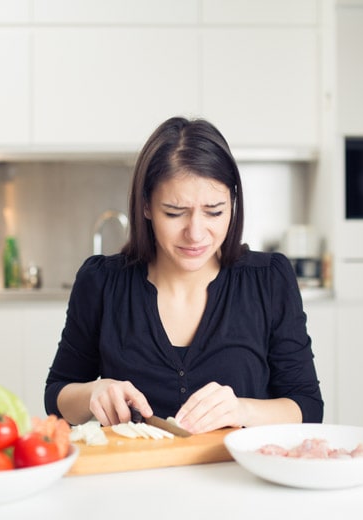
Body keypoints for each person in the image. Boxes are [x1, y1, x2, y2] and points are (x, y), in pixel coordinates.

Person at [44, 116, 323, 434]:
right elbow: (57, 397)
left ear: (232, 203)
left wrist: (241, 408)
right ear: (146, 205)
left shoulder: (268, 280)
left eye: (214, 211)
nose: (196, 233)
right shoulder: (101, 282)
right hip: (135, 478)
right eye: (174, 213)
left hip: (237, 479)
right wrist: (93, 392)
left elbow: (308, 406)